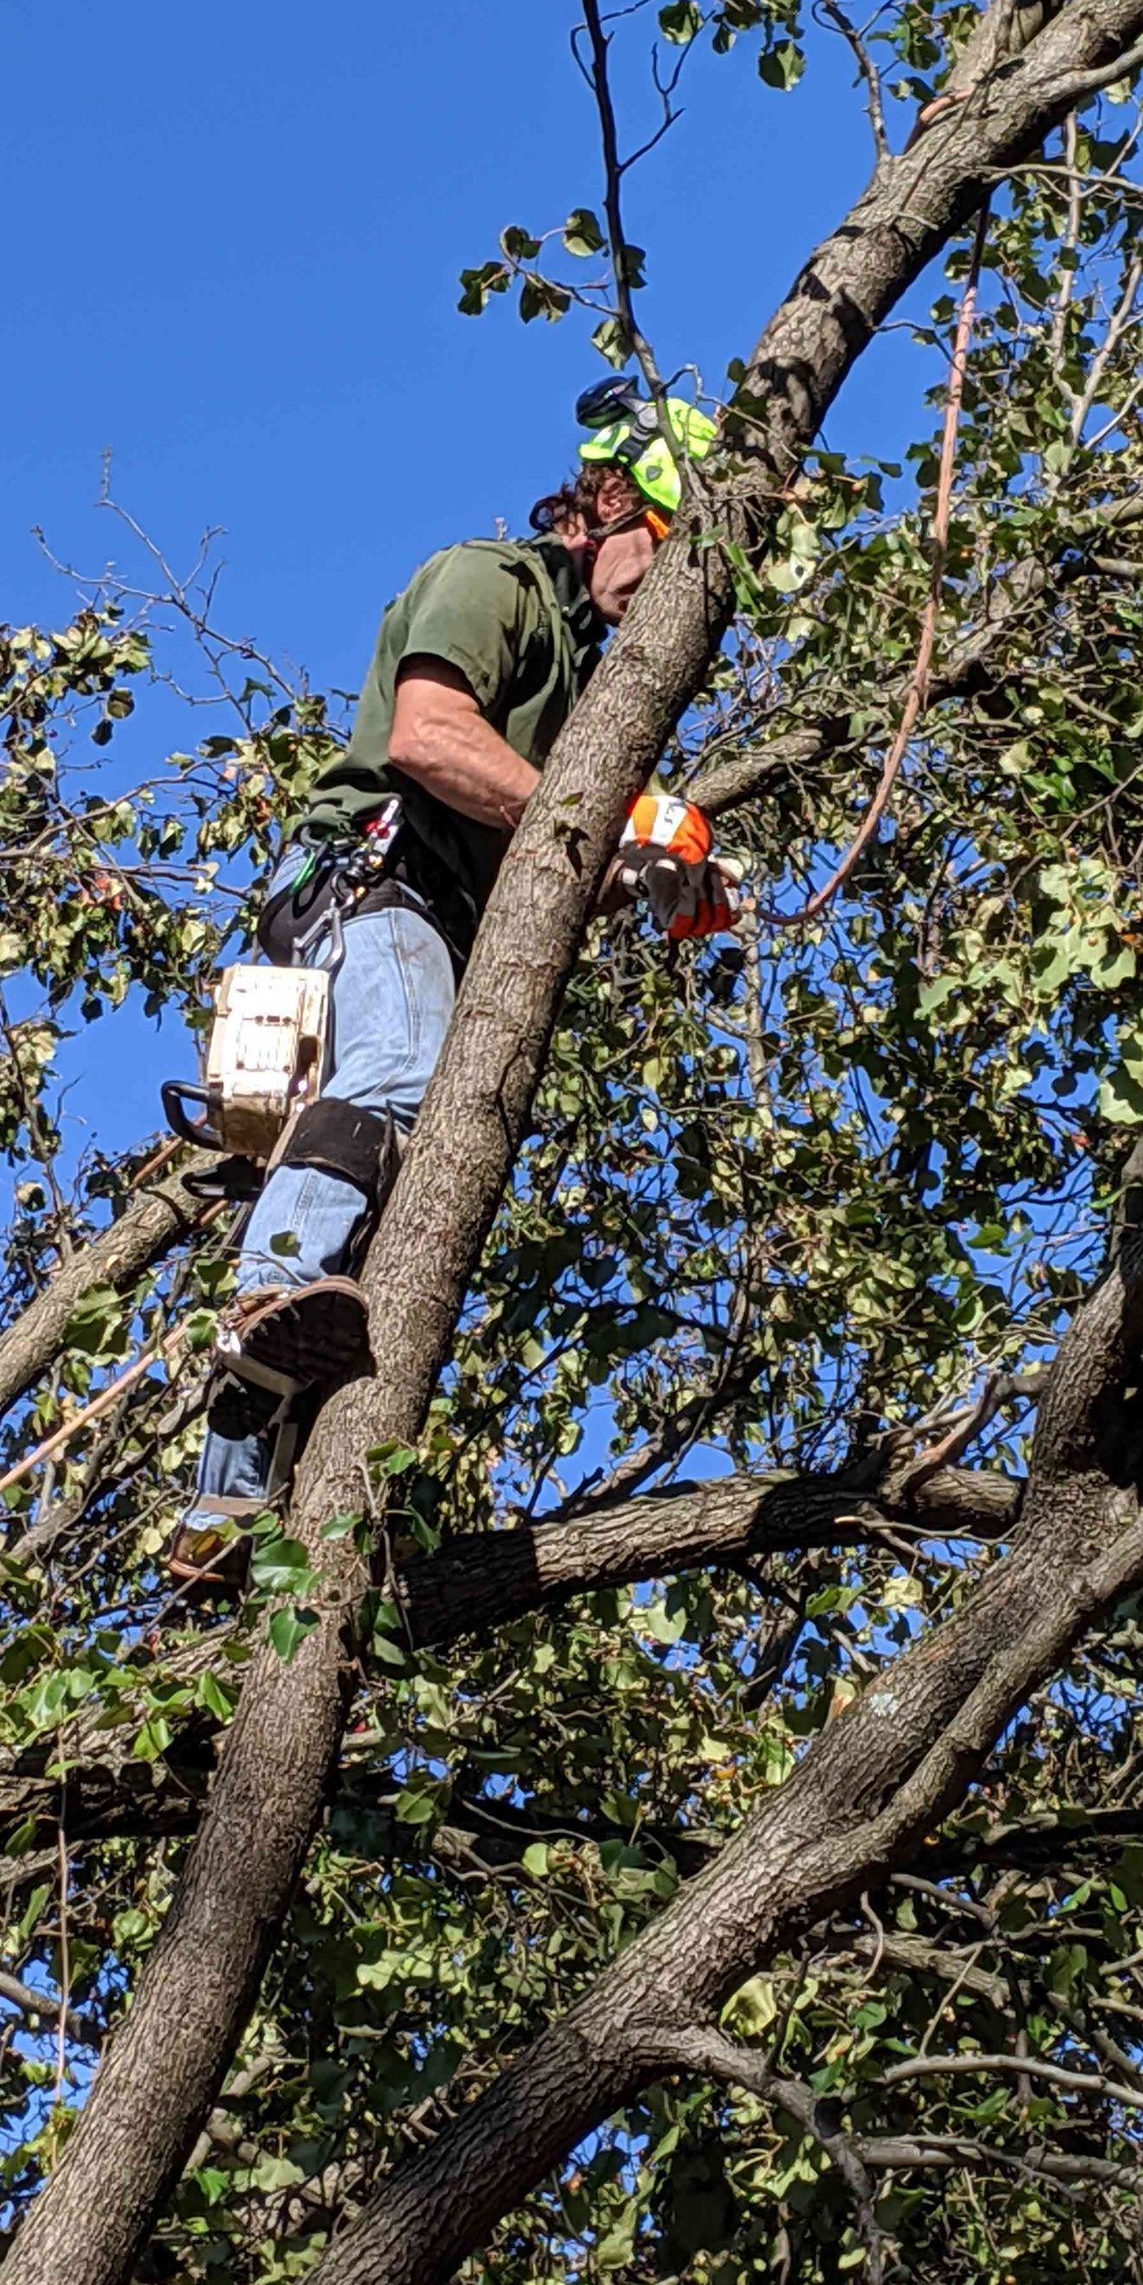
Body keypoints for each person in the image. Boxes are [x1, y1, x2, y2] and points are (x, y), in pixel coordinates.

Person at [169, 389, 717, 1580]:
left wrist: (652, 869)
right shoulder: (498, 582)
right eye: (662, 553)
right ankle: (266, 1295)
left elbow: (543, 856)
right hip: (375, 883)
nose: (659, 592)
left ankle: (227, 1509)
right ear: (612, 502)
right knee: (402, 1078)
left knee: (379, 1208)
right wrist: (606, 812)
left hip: (435, 926)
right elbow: (427, 735)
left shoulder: (586, 676)